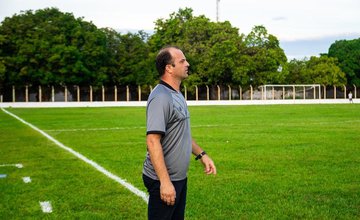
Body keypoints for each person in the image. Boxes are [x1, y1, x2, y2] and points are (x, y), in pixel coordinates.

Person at [142, 46, 217, 220]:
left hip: (178, 178)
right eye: (182, 61)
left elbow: (182, 135)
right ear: (169, 67)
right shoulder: (161, 97)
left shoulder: (177, 94)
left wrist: (202, 155)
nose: (187, 64)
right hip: (164, 179)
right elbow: (153, 141)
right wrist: (165, 182)